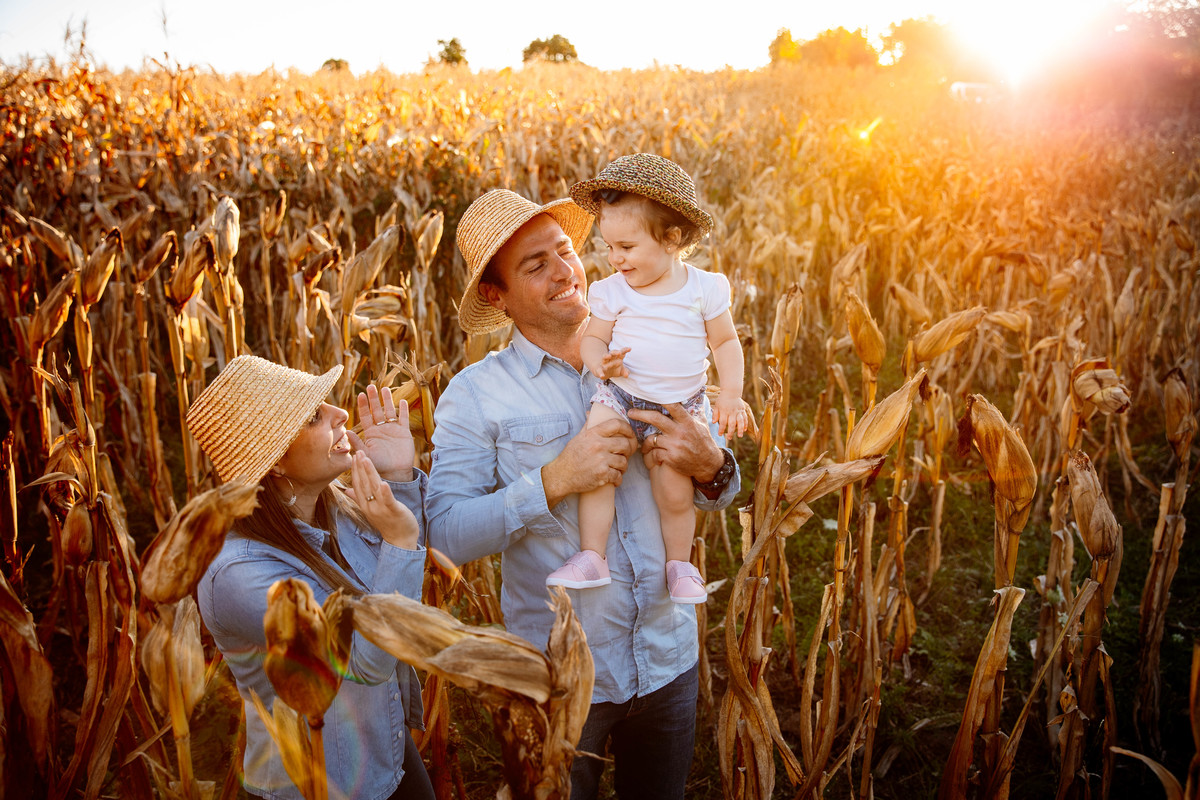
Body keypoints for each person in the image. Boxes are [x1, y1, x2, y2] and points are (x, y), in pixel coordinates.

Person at [426, 188, 740, 800]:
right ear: (497, 296)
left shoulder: (652, 341)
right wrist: (555, 479)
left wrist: (712, 465)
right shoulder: (474, 396)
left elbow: (716, 492)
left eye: (566, 251)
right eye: (535, 265)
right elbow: (445, 534)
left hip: (667, 655)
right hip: (560, 676)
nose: (565, 272)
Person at [188, 355, 435, 800]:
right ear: (275, 461)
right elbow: (363, 664)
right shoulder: (238, 573)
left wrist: (397, 476)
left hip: (387, 749)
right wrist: (399, 537)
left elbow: (404, 578)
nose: (342, 414)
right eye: (315, 415)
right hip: (320, 780)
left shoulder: (335, 503)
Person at [543, 153, 748, 603]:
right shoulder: (612, 291)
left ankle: (680, 566)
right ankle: (592, 556)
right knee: (599, 466)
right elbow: (593, 340)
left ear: (672, 239)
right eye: (609, 247)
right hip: (619, 394)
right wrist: (602, 364)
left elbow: (726, 344)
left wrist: (731, 394)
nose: (615, 258)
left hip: (680, 407)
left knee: (673, 490)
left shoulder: (704, 289)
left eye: (627, 247)